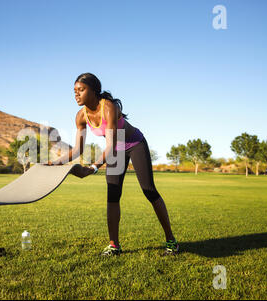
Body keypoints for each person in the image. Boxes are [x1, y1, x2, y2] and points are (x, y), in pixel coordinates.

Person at [48, 73, 178, 256]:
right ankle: (114, 246)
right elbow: (77, 149)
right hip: (116, 149)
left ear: (94, 91)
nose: (76, 94)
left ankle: (171, 241)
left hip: (134, 144)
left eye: (81, 90)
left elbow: (109, 145)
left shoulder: (108, 107)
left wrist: (93, 168)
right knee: (113, 195)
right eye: (74, 91)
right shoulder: (80, 116)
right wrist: (53, 163)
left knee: (149, 190)